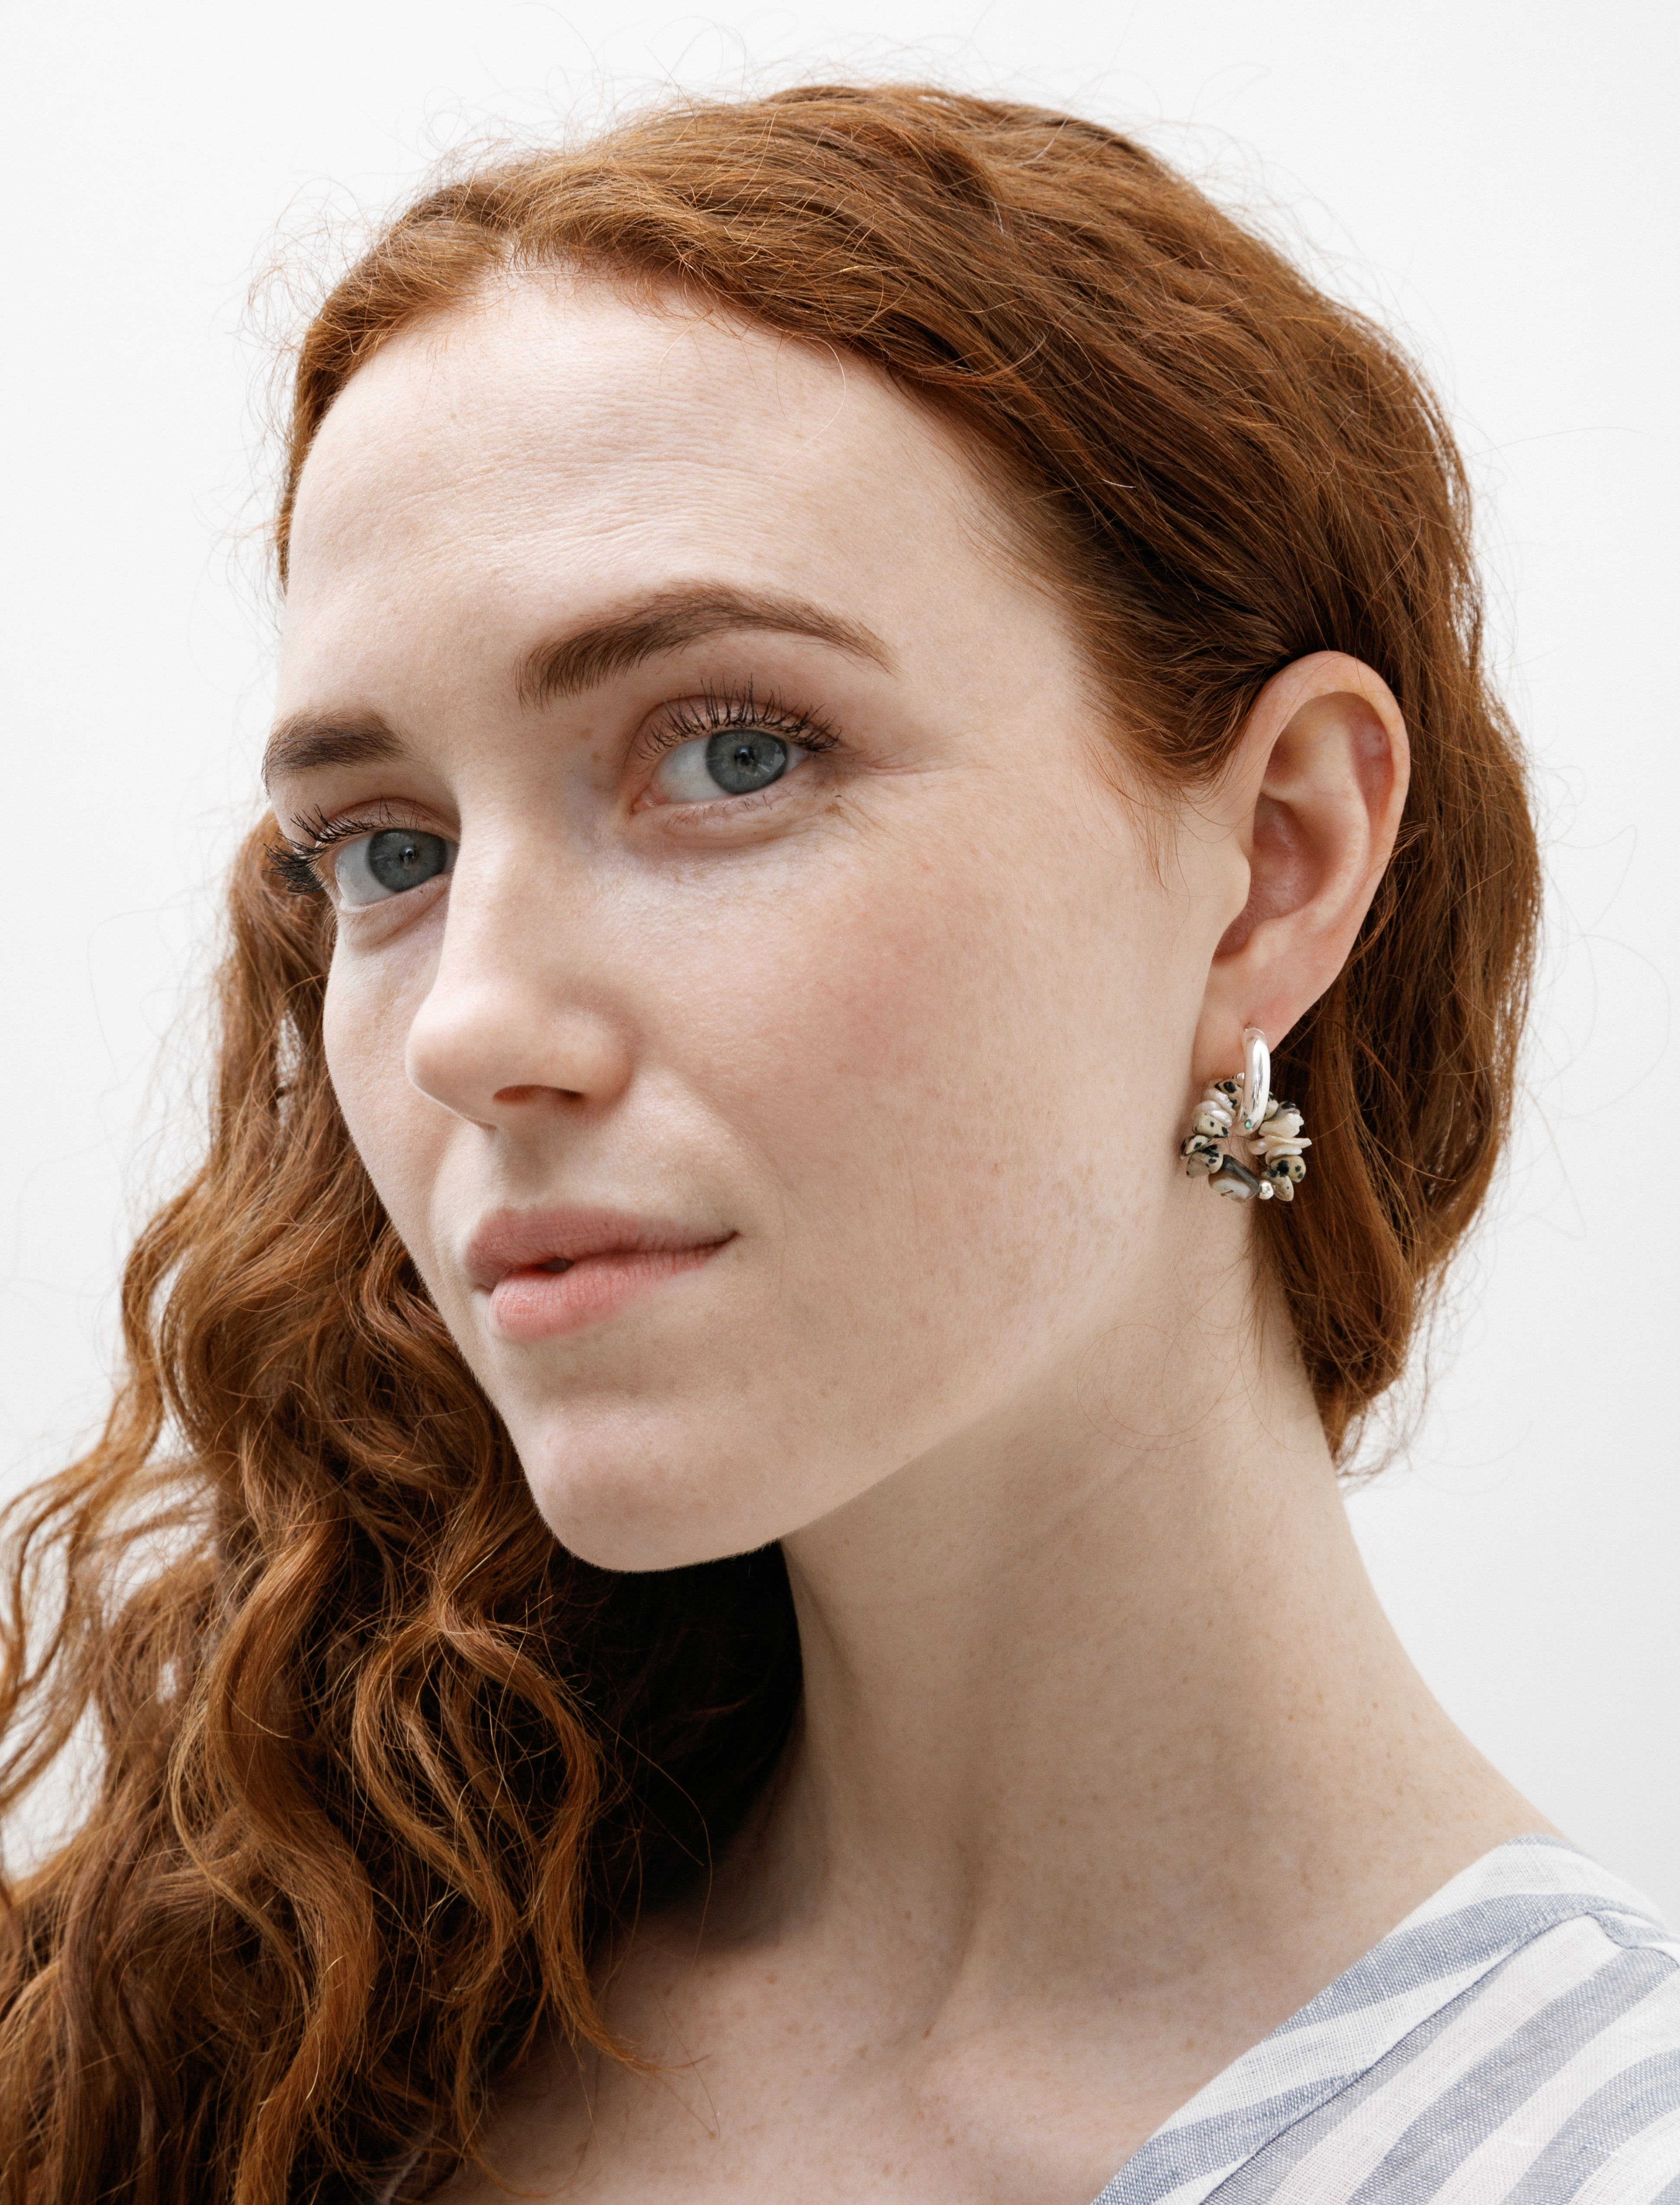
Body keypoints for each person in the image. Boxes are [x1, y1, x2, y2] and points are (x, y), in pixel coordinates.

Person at [2, 80, 1676, 2205]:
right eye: (388, 849)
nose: (471, 1030)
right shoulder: (237, 2035)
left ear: (1274, 863)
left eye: (732, 753)